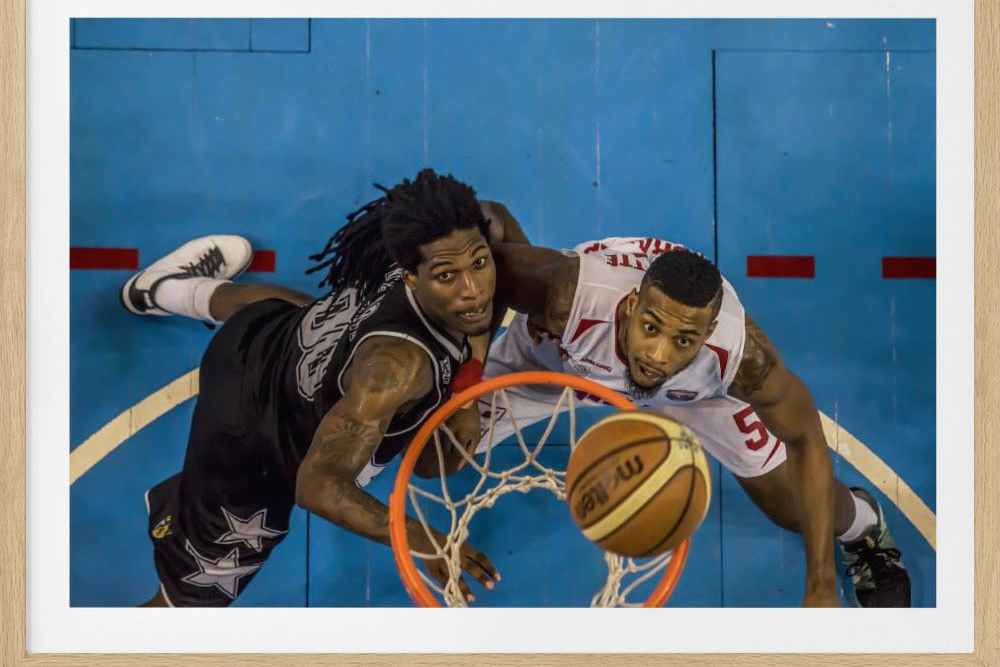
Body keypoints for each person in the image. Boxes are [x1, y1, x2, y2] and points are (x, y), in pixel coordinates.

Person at [120, 169, 522, 607]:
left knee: (283, 313)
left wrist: (468, 378)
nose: (473, 291)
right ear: (410, 276)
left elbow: (496, 224)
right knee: (188, 602)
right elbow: (317, 484)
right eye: (447, 276)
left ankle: (166, 288)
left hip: (268, 339)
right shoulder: (396, 369)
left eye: (480, 263)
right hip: (253, 441)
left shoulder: (456, 232)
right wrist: (421, 538)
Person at [480, 236, 911, 608]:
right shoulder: (563, 295)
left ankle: (863, 525)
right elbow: (483, 245)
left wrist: (820, 582)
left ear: (705, 339)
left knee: (788, 505)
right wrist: (472, 364)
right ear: (631, 306)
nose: (659, 355)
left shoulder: (741, 360)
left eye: (683, 340)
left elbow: (805, 438)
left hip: (691, 391)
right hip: (564, 358)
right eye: (651, 327)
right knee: (441, 448)